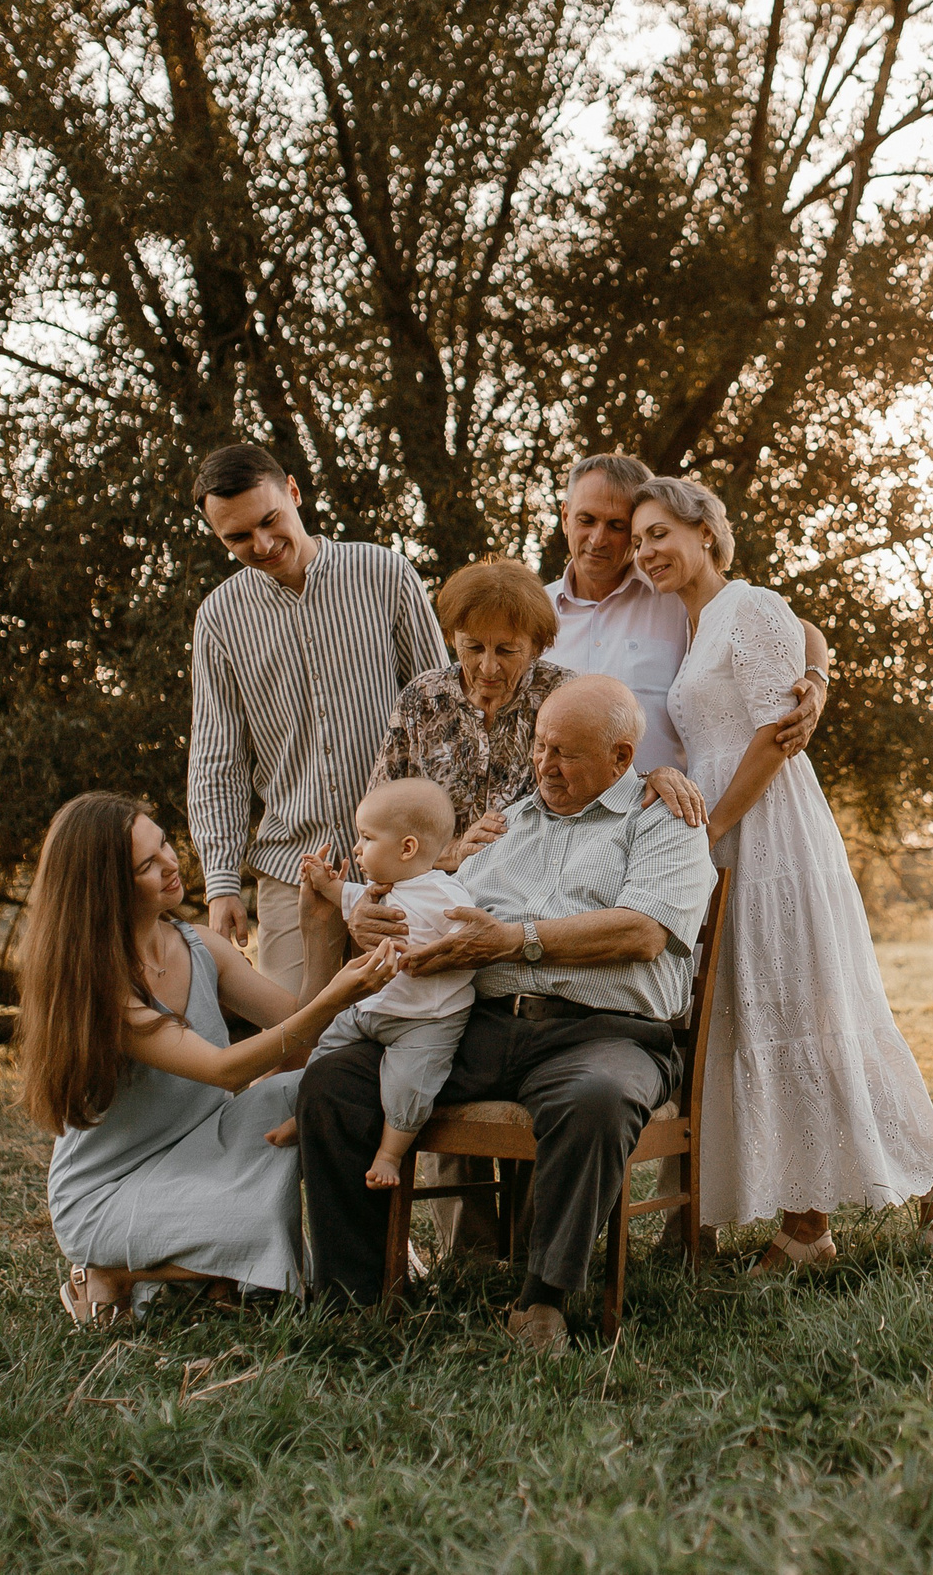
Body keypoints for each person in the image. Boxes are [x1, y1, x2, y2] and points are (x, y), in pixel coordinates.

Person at [630, 476, 933, 1268]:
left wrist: (716, 824)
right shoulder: (698, 628)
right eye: (637, 541)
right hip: (731, 840)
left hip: (772, 836)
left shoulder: (748, 604)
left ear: (706, 534)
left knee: (815, 1014)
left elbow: (774, 733)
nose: (645, 550)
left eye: (659, 533)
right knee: (765, 1018)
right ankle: (807, 1223)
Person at [306, 676, 716, 1355]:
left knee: (596, 1097)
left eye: (566, 754)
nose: (545, 765)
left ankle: (542, 1303)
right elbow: (446, 907)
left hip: (603, 1033)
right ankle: (354, 1299)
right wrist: (379, 915)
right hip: (482, 1025)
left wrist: (517, 940)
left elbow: (643, 931)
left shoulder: (664, 818)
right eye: (539, 747)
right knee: (337, 1080)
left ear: (621, 757)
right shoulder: (512, 822)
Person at [20, 791, 399, 1327]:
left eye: (166, 845)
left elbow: (296, 1024)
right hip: (108, 1192)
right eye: (147, 864)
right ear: (107, 890)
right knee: (256, 1224)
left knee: (301, 1091)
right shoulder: (101, 988)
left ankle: (210, 1268)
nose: (172, 864)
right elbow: (226, 1070)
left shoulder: (198, 945)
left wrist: (318, 933)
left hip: (203, 1146)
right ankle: (111, 1269)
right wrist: (338, 995)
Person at [188, 442, 447, 993]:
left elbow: (442, 715)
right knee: (295, 1048)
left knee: (408, 1030)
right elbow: (218, 758)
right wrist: (221, 882)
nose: (260, 544)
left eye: (269, 520)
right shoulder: (218, 619)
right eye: (236, 537)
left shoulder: (383, 573)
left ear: (294, 493)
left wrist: (447, 844)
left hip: (406, 867)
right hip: (293, 868)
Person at [368, 555, 704, 869]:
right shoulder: (423, 698)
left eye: (506, 649)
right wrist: (452, 851)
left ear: (537, 646)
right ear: (451, 637)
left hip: (529, 890)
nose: (487, 666)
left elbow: (607, 779)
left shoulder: (563, 695)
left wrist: (657, 776)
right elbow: (379, 818)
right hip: (430, 887)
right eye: (472, 647)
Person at [542, 454, 829, 772]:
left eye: (616, 526)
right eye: (586, 520)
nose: (598, 539)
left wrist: (815, 685)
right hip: (559, 816)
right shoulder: (535, 614)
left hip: (660, 814)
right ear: (566, 515)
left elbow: (794, 628)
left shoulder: (674, 594)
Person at [258, 779, 477, 1190]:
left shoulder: (443, 893)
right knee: (323, 1051)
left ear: (407, 848)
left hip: (426, 1019)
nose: (356, 849)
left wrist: (435, 955)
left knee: (409, 1084)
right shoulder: (379, 892)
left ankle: (389, 1154)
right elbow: (347, 894)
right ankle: (301, 1115)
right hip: (372, 1010)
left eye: (366, 838)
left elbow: (468, 938)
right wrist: (324, 882)